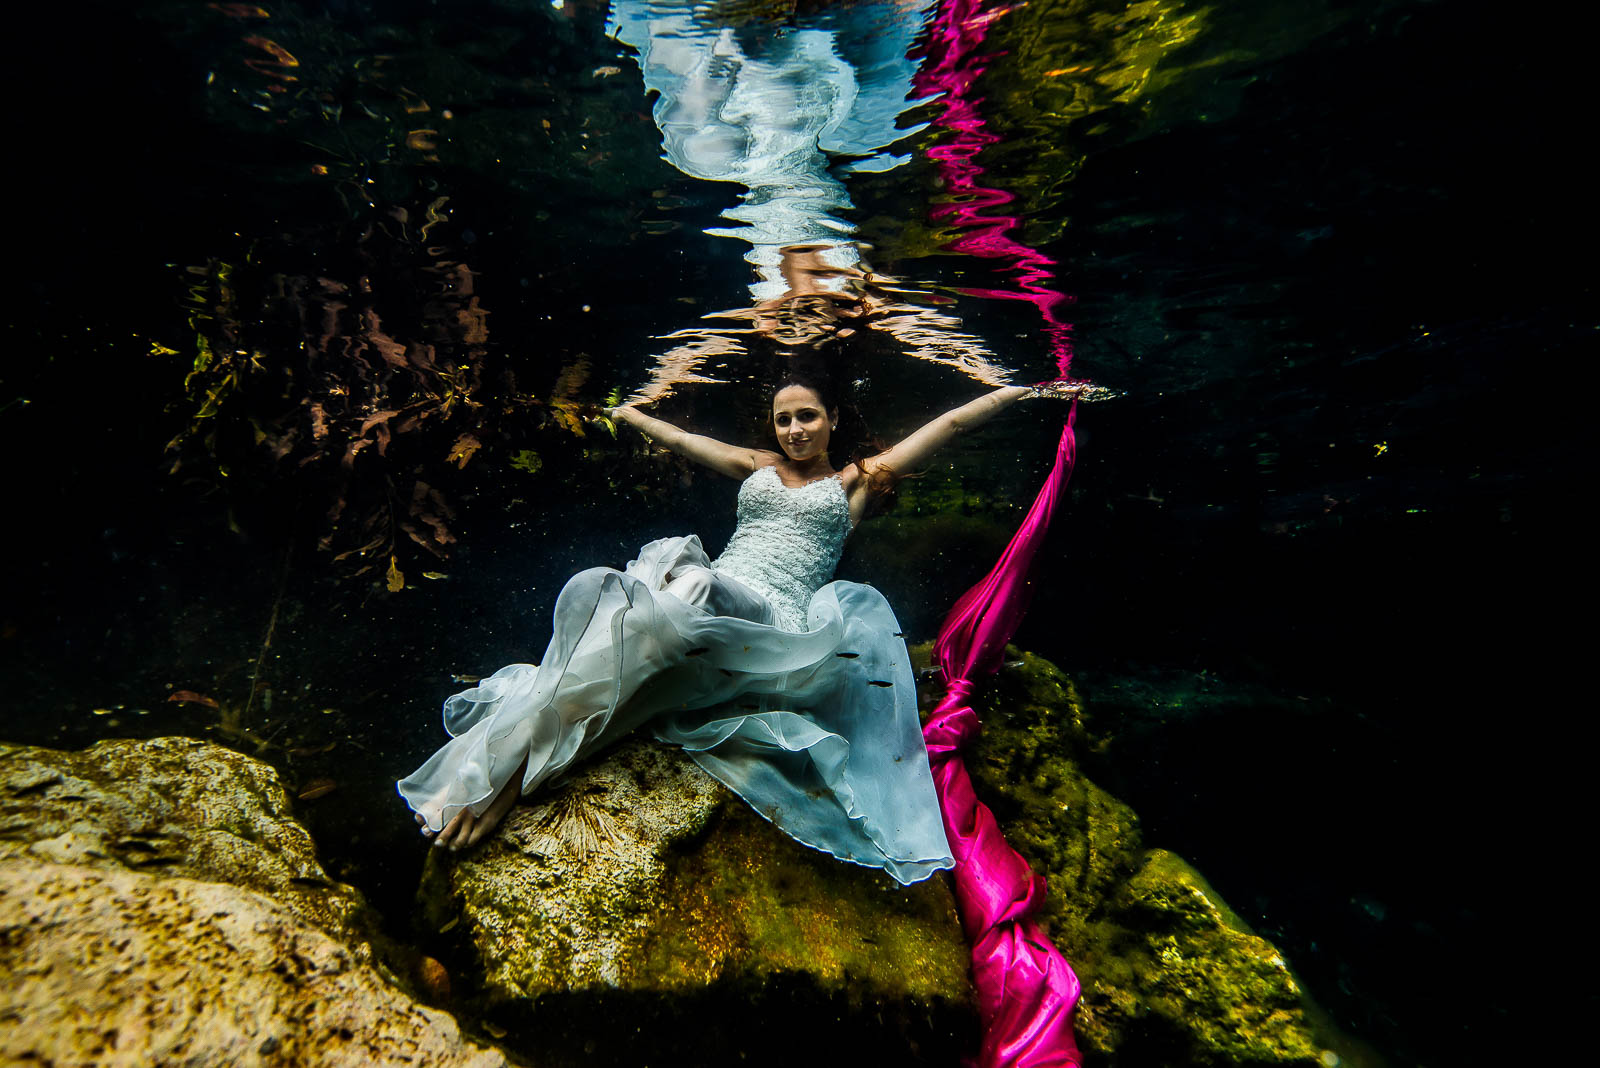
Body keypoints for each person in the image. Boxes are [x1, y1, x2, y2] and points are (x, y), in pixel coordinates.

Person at [399, 372, 1073, 885]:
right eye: (783, 419)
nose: (794, 429)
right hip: (711, 597)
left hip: (772, 617)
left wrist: (1020, 392)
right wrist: (629, 412)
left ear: (833, 419)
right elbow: (686, 440)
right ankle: (504, 782)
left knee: (678, 586)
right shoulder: (757, 467)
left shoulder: (855, 484)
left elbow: (951, 424)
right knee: (618, 676)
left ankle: (505, 779)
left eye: (807, 416)